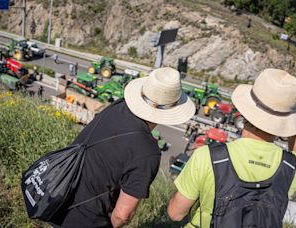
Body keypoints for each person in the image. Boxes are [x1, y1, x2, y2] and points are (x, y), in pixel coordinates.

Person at [49, 67, 195, 227]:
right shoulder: (148, 152)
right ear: (172, 108)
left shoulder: (117, 107)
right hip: (85, 221)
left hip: (58, 199)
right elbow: (122, 215)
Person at [168, 68, 296, 227]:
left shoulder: (207, 157)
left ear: (244, 112)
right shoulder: (294, 167)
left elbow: (175, 214)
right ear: (287, 122)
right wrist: (292, 124)